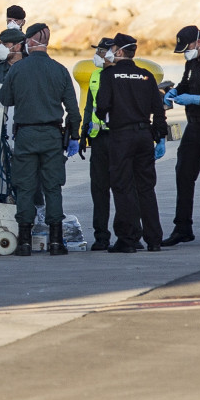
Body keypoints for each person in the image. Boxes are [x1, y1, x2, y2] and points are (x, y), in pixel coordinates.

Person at [0, 23, 81, 257]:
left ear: (29, 42)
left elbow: (5, 99)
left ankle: (24, 242)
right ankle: (56, 242)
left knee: (25, 187)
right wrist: (74, 136)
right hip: (53, 136)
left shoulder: (18, 69)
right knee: (53, 188)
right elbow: (73, 111)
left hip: (26, 135)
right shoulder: (60, 70)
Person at [96, 33, 166, 253]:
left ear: (119, 51)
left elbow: (102, 105)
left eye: (113, 48)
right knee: (146, 187)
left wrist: (105, 115)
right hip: (144, 135)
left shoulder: (110, 75)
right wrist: (158, 135)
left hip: (121, 136)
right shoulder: (146, 76)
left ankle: (128, 238)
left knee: (123, 186)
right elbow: (159, 109)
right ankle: (154, 239)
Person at [163, 25, 200, 248]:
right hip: (193, 128)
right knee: (183, 175)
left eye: (186, 47)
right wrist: (175, 91)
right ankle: (182, 228)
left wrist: (195, 99)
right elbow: (186, 83)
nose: (185, 52)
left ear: (198, 42)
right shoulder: (191, 62)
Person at [79, 36, 117, 250]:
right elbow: (88, 108)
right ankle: (101, 236)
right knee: (99, 189)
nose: (98, 55)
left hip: (119, 138)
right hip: (99, 140)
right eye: (98, 51)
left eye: (102, 52)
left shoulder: (121, 75)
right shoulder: (95, 76)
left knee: (123, 187)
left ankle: (130, 233)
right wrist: (84, 132)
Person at [0, 4, 26, 74]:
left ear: (23, 22)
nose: (12, 23)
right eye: (9, 21)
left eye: (16, 21)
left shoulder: (28, 45)